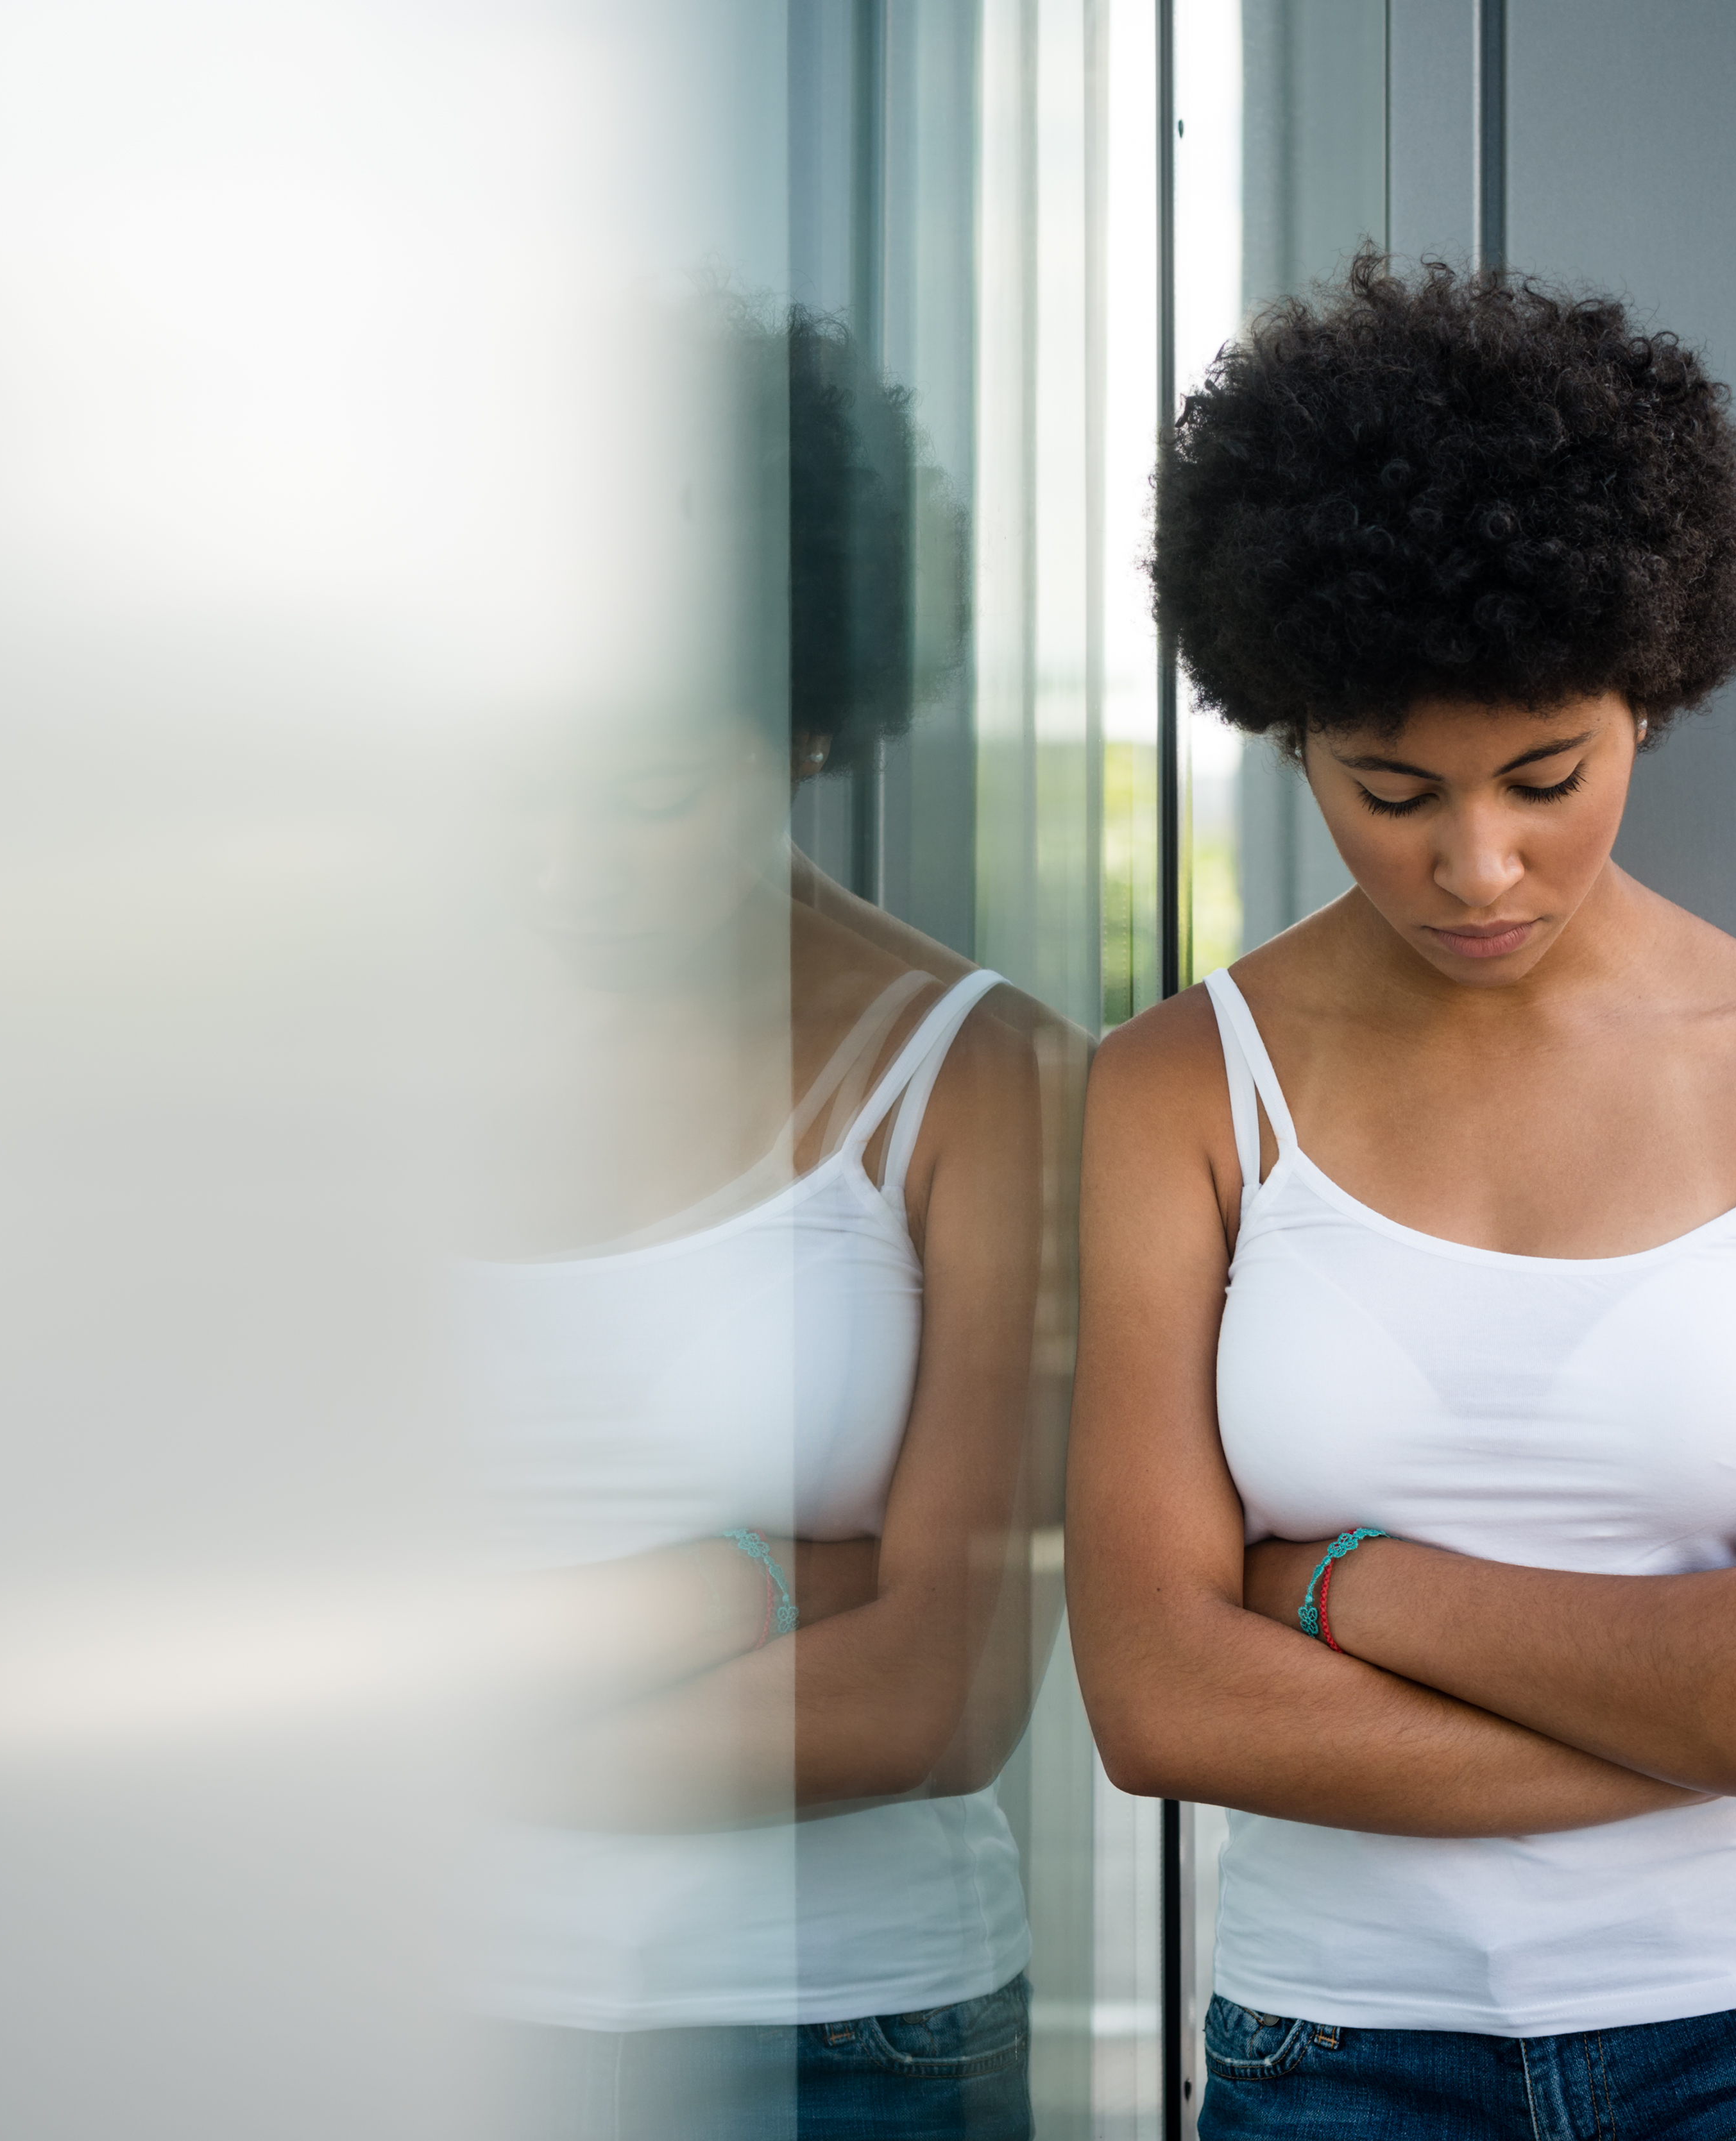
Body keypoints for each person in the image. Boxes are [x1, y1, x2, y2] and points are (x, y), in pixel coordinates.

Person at [1067, 251, 1736, 2134]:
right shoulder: (1180, 1091)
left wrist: (1343, 1582)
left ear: (1650, 689)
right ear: (1291, 730)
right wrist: (1720, 1683)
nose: (1476, 867)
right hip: (1336, 2064)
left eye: (1546, 775)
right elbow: (1162, 1703)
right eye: (1390, 790)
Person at [459, 303, 1084, 2141]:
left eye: (647, 789)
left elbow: (943, 1698)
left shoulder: (985, 1084)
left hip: (841, 2043)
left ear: (808, 718)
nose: (565, 857)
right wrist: (759, 1572)